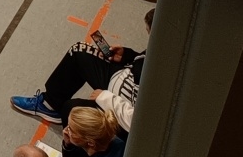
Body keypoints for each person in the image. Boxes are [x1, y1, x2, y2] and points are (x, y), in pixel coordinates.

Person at [10, 19, 147, 130]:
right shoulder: (157, 48)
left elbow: (139, 122)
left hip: (122, 106)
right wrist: (128, 55)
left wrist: (105, 98)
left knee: (71, 111)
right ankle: (49, 105)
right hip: (126, 74)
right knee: (78, 50)